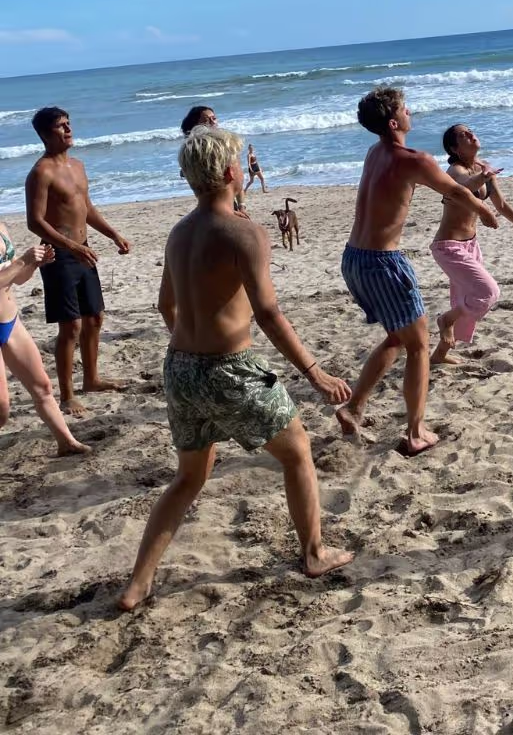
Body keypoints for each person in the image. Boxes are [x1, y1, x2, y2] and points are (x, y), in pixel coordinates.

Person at [118, 126, 353, 611]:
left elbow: (166, 305)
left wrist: (194, 346)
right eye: (241, 164)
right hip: (230, 369)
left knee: (188, 479)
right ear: (230, 172)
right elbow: (268, 313)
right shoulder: (245, 232)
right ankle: (314, 553)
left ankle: (137, 584)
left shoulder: (179, 233)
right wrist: (315, 372)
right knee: (298, 452)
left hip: (180, 368)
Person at [335, 87, 498, 457]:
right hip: (382, 263)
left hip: (353, 259)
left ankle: (354, 408)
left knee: (397, 337)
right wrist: (485, 211)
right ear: (394, 123)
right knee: (419, 346)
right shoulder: (414, 159)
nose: (410, 113)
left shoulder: (374, 152)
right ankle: (416, 432)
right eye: (404, 109)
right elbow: (455, 191)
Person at [24, 107, 131, 417]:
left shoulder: (78, 165)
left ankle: (92, 380)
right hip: (58, 255)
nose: (68, 129)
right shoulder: (41, 172)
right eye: (61, 125)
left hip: (82, 250)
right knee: (70, 326)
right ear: (45, 134)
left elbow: (86, 208)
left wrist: (113, 234)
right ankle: (68, 396)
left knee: (95, 317)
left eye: (69, 123)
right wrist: (70, 246)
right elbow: (35, 221)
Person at [429, 124, 513, 366]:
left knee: (464, 298)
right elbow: (463, 188)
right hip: (448, 247)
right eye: (463, 135)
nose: (471, 134)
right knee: (488, 292)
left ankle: (439, 355)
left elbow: (501, 206)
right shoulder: (454, 171)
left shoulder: (484, 167)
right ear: (454, 148)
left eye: (470, 131)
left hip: (470, 245)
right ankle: (445, 320)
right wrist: (483, 176)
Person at [0, 221, 89, 455]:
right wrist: (23, 261)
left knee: (43, 387)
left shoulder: (1, 228)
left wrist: (34, 264)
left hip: (10, 321)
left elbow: (17, 279)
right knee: (1, 409)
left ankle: (66, 443)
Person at [179, 106, 247, 216]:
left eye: (214, 118)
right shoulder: (193, 153)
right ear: (196, 125)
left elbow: (237, 181)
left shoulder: (225, 146)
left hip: (225, 203)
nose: (213, 122)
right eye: (206, 120)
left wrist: (241, 206)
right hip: (213, 206)